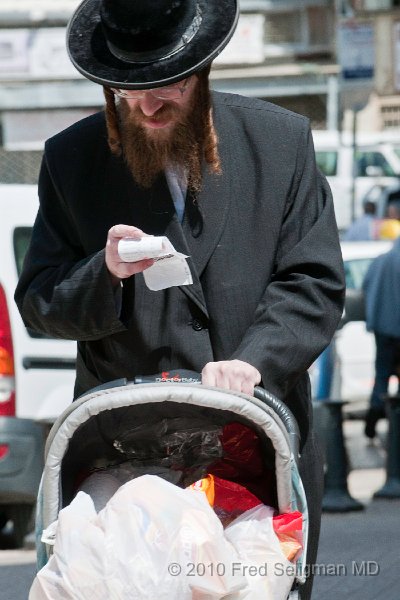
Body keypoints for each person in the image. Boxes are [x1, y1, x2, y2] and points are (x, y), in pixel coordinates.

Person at [15, 0, 345, 597]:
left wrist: (254, 360)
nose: (146, 104)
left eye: (166, 84)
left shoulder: (280, 141)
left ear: (203, 67)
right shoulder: (70, 159)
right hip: (125, 454)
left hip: (258, 444)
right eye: (128, 89)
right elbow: (39, 301)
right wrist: (104, 272)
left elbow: (314, 283)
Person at [363, 236, 400, 439]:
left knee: (382, 376)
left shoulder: (380, 261)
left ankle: (371, 424)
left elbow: (366, 289)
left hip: (383, 331)